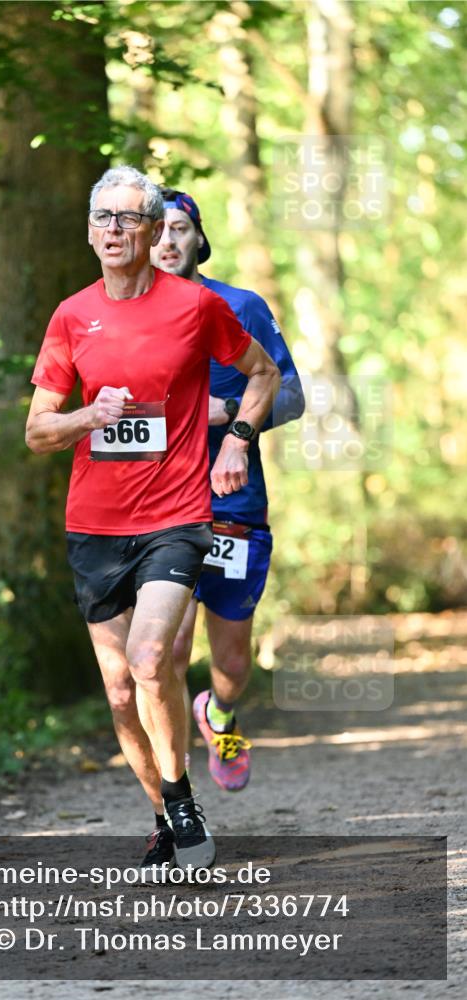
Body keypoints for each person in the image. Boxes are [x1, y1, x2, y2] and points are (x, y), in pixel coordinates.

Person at [25, 166, 280, 869]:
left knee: (150, 660)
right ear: (88, 229)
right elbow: (37, 431)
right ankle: (168, 810)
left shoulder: (195, 307)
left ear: (151, 228)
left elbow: (264, 374)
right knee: (116, 689)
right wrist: (88, 415)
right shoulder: (71, 316)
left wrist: (236, 439)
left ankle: (183, 796)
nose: (111, 229)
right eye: (100, 217)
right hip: (94, 525)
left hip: (176, 516)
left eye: (126, 218)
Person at [150, 188, 305, 793]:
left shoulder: (240, 306)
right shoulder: (120, 316)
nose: (167, 240)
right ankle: (176, 793)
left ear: (198, 238)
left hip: (234, 503)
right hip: (160, 506)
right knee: (169, 642)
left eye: (180, 228)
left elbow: (290, 395)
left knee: (232, 663)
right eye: (156, 229)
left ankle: (219, 714)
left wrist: (230, 412)